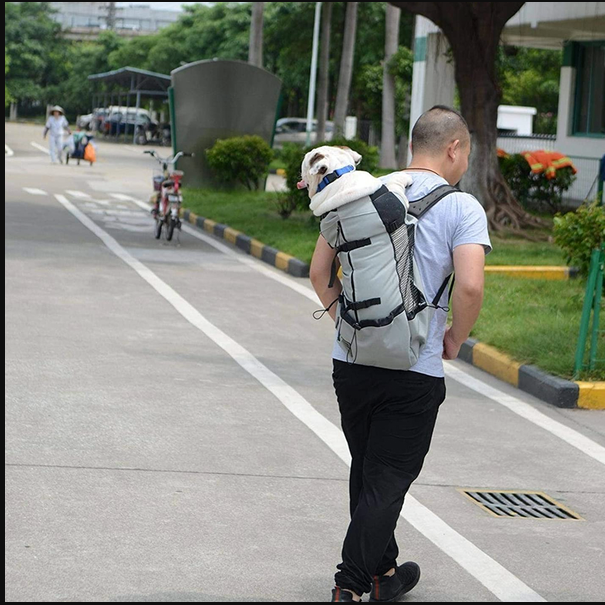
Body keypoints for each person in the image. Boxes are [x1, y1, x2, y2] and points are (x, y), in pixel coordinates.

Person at [309, 105, 492, 602]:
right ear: (454, 148)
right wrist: (455, 335)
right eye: (466, 153)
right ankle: (349, 585)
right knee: (387, 478)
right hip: (413, 367)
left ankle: (384, 573)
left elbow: (318, 272)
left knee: (368, 468)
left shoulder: (363, 191)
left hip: (350, 362)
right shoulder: (462, 207)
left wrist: (345, 324)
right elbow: (470, 286)